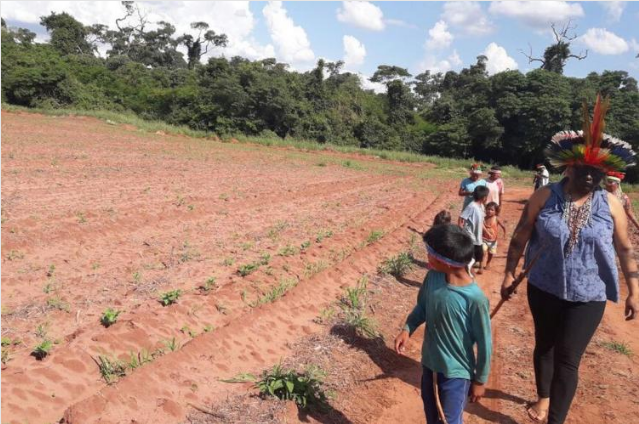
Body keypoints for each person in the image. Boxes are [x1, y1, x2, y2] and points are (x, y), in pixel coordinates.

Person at [500, 95, 639, 424]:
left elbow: (623, 247)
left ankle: (555, 420)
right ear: (570, 166)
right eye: (584, 170)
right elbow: (520, 235)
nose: (591, 177)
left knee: (568, 358)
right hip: (544, 286)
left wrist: (633, 288)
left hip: (588, 295)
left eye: (597, 172)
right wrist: (509, 274)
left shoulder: (611, 204)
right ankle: (543, 397)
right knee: (544, 346)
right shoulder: (545, 196)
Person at [395, 224, 492, 424]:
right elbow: (423, 307)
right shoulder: (433, 277)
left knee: (449, 420)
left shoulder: (475, 299)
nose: (427, 257)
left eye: (430, 253)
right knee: (432, 416)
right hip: (430, 366)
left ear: (447, 262)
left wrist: (480, 380)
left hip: (456, 373)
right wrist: (408, 328)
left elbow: (485, 345)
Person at [459, 186, 489, 275]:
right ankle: (470, 273)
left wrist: (486, 232)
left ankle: (476, 269)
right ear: (483, 197)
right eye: (486, 196)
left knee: (479, 255)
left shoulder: (481, 207)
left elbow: (481, 222)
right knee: (471, 257)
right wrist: (461, 232)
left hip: (478, 237)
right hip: (470, 236)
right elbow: (461, 218)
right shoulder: (471, 206)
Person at [482, 202, 506, 270]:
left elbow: (503, 226)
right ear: (485, 209)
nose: (489, 211)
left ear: (496, 212)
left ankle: (488, 263)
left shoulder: (496, 219)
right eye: (488, 209)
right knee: (483, 251)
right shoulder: (483, 218)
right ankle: (481, 265)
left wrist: (504, 235)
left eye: (492, 210)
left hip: (493, 241)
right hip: (484, 239)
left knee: (491, 253)